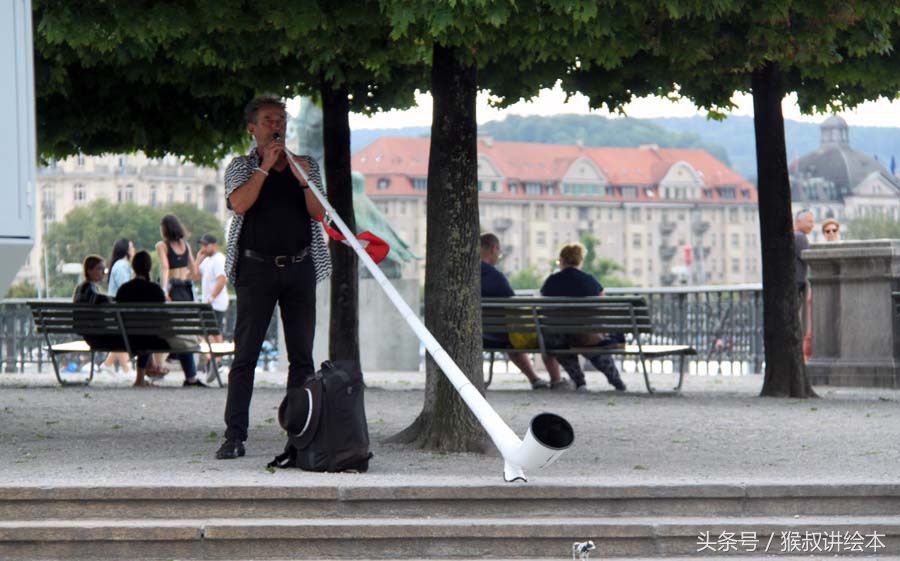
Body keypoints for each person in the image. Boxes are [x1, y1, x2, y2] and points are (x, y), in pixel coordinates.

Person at [215, 94, 330, 460]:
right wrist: (264, 167)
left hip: (299, 268)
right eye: (268, 120)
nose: (276, 125)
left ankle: (299, 437)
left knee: (302, 358)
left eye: (280, 119)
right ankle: (235, 435)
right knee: (245, 355)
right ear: (252, 129)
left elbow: (318, 213)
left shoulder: (306, 166)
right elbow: (239, 204)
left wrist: (299, 176)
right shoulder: (240, 166)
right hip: (255, 270)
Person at [540, 243, 627, 392]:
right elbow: (601, 307)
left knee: (558, 343)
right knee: (593, 344)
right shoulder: (589, 281)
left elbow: (544, 308)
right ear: (580, 261)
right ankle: (617, 381)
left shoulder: (551, 281)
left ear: (561, 260)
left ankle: (580, 382)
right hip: (587, 335)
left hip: (559, 337)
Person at [117, 251, 205, 388]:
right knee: (184, 338)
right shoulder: (155, 290)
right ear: (149, 268)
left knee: (145, 334)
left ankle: (141, 377)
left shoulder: (123, 290)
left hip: (127, 338)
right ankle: (191, 378)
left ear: (133, 267)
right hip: (153, 339)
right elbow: (164, 318)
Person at [480, 233, 554, 389]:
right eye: (498, 251)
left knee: (511, 333)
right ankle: (540, 379)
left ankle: (535, 379)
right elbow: (512, 303)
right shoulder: (496, 276)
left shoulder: (465, 274)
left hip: (474, 333)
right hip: (498, 335)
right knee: (517, 334)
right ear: (494, 249)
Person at [193, 233, 229, 382]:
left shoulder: (219, 259)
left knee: (214, 332)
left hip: (216, 303)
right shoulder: (207, 261)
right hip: (208, 303)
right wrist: (197, 259)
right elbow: (194, 276)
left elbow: (222, 280)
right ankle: (213, 360)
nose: (204, 248)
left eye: (206, 245)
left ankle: (217, 361)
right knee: (205, 333)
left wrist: (212, 297)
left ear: (214, 244)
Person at [103, 238, 135, 374]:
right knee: (122, 336)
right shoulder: (122, 265)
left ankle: (107, 365)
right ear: (126, 250)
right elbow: (125, 289)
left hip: (114, 310)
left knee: (121, 337)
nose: (134, 249)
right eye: (132, 246)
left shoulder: (119, 265)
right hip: (119, 310)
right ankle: (127, 369)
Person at [156, 214, 198, 302]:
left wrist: (164, 290)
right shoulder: (186, 245)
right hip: (186, 289)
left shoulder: (162, 246)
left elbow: (165, 267)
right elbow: (194, 270)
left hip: (172, 289)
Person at [794, 209, 814, 342]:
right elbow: (809, 258)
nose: (812, 225)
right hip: (798, 283)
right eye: (809, 222)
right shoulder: (800, 237)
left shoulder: (795, 235)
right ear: (799, 222)